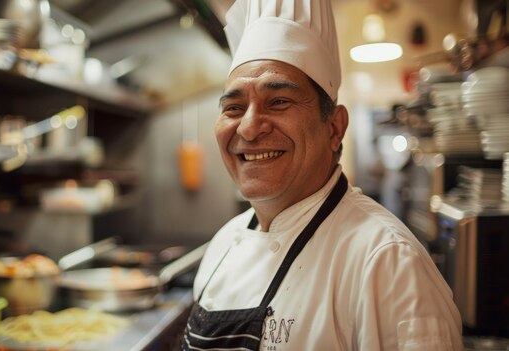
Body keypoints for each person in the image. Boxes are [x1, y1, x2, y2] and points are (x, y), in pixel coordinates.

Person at [181, 0, 463, 350]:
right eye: (234, 108)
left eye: (279, 101)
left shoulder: (388, 263)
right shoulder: (223, 244)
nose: (250, 128)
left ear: (334, 128)